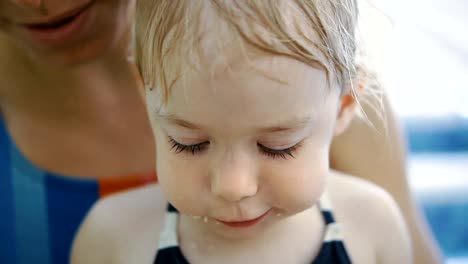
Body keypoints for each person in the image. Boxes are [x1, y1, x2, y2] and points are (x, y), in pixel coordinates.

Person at [0, 0, 442, 264]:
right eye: (188, 143)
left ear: (346, 105)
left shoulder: (372, 223)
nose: (232, 186)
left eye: (278, 146)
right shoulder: (112, 239)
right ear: (146, 91)